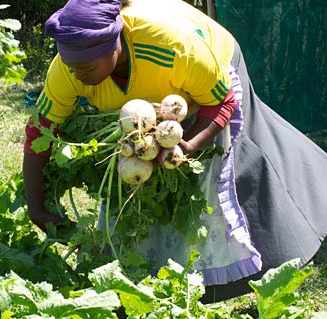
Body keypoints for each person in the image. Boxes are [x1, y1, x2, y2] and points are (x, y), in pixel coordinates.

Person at [23, 0, 327, 302]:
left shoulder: (171, 47)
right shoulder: (68, 70)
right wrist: (35, 205)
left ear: (114, 47)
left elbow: (221, 101)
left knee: (222, 173)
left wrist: (188, 145)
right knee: (138, 184)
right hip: (162, 92)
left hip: (214, 64)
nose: (78, 76)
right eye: (72, 68)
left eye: (86, 68)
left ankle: (289, 227)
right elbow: (40, 132)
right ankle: (142, 279)